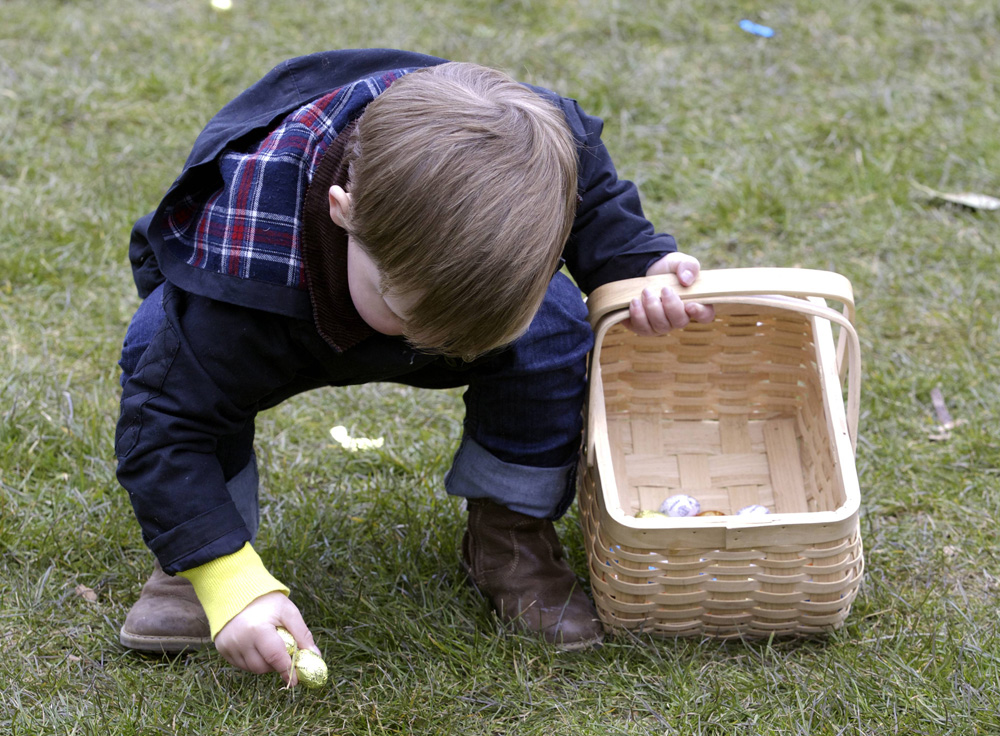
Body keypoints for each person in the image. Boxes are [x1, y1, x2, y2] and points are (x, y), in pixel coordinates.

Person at [115, 48, 714, 684]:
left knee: (555, 326)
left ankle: (509, 532)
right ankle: (202, 558)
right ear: (343, 212)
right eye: (411, 311)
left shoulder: (540, 147)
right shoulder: (233, 286)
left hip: (389, 276)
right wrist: (226, 579)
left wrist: (638, 268)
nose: (438, 342)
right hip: (283, 297)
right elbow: (167, 424)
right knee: (178, 370)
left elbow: (587, 193)